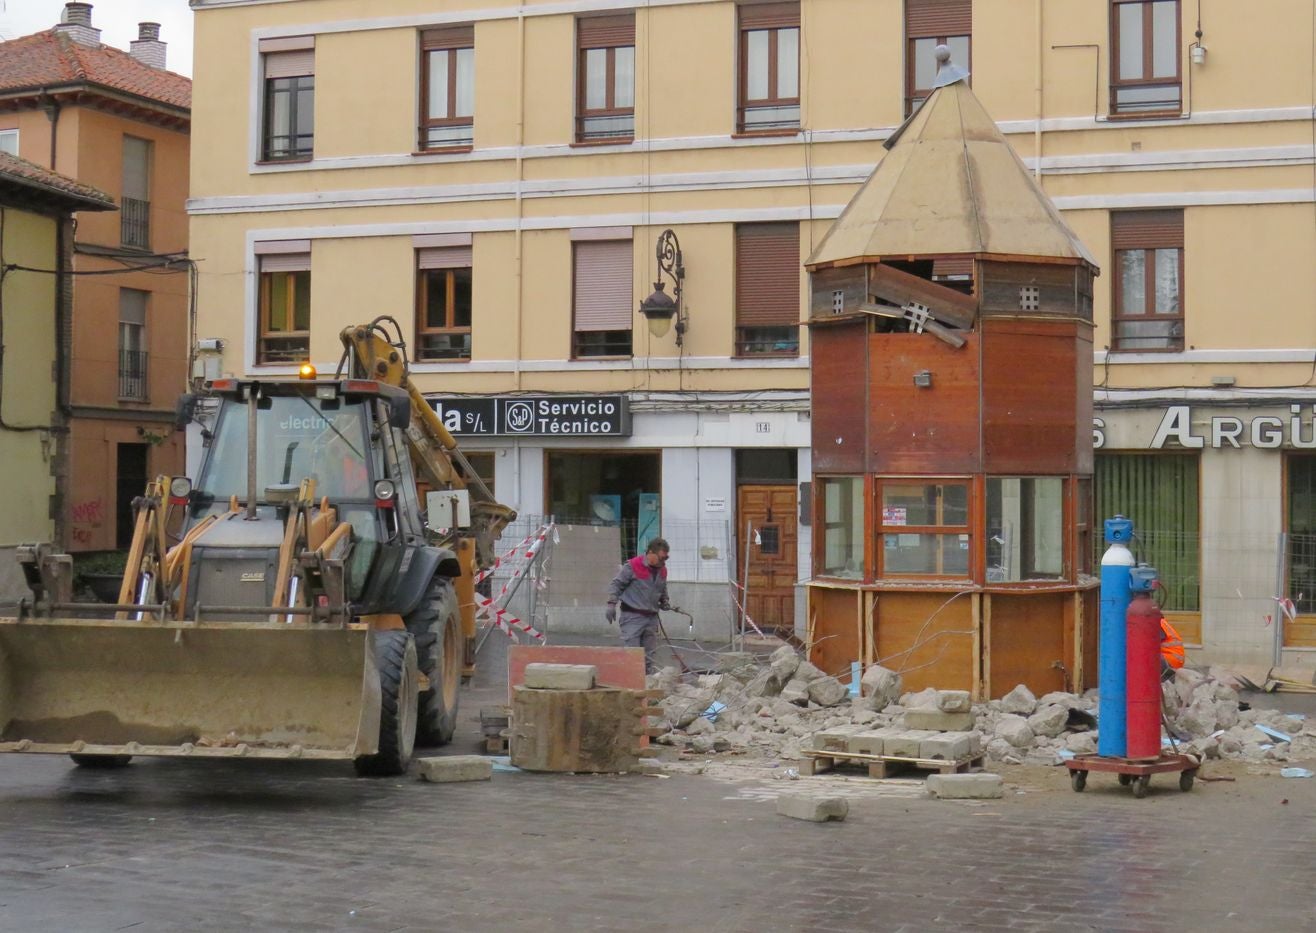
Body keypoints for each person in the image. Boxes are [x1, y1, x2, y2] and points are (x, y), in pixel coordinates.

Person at [606, 538, 673, 673]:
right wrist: (611, 603)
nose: (663, 562)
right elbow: (617, 584)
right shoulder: (632, 566)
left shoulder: (662, 570)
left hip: (651, 618)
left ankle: (647, 685)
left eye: (665, 559)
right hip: (632, 617)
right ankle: (632, 686)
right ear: (650, 552)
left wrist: (664, 600)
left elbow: (662, 587)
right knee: (633, 655)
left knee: (649, 657)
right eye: (661, 558)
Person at [1160, 614, 1185, 682]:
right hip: (1175, 661)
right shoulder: (1162, 622)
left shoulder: (1156, 624)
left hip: (1170, 661)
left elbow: (1149, 644)